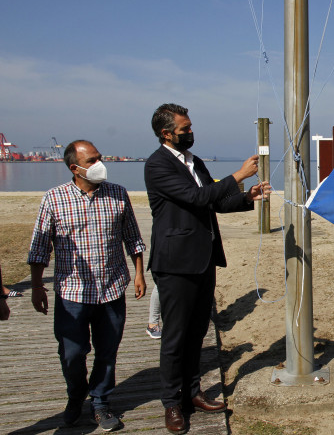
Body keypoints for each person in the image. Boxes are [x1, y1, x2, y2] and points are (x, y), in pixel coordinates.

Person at [145, 103, 270, 434]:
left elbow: (214, 202)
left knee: (197, 332)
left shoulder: (194, 162)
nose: (190, 132)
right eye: (184, 129)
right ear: (166, 133)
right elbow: (195, 197)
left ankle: (192, 392)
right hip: (175, 264)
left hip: (202, 259)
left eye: (190, 126)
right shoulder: (157, 166)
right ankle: (173, 404)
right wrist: (238, 176)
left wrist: (247, 196)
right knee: (175, 337)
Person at [28, 140, 146, 431]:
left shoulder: (118, 194)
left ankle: (101, 401)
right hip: (72, 293)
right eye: (92, 160)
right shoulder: (53, 199)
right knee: (72, 352)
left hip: (112, 288)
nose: (100, 164)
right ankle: (75, 396)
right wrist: (36, 286)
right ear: (75, 168)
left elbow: (133, 237)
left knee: (108, 350)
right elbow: (40, 247)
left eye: (99, 158)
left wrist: (140, 272)